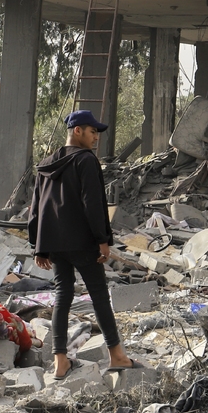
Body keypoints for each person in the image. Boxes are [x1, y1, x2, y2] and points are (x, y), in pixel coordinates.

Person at [28, 110, 135, 378]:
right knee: (99, 295)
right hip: (82, 241)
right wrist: (103, 239)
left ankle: (60, 361)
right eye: (92, 131)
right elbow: (93, 203)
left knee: (63, 296)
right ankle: (117, 355)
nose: (96, 137)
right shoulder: (86, 160)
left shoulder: (46, 164)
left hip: (55, 244)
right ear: (78, 131)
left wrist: (38, 246)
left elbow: (37, 207)